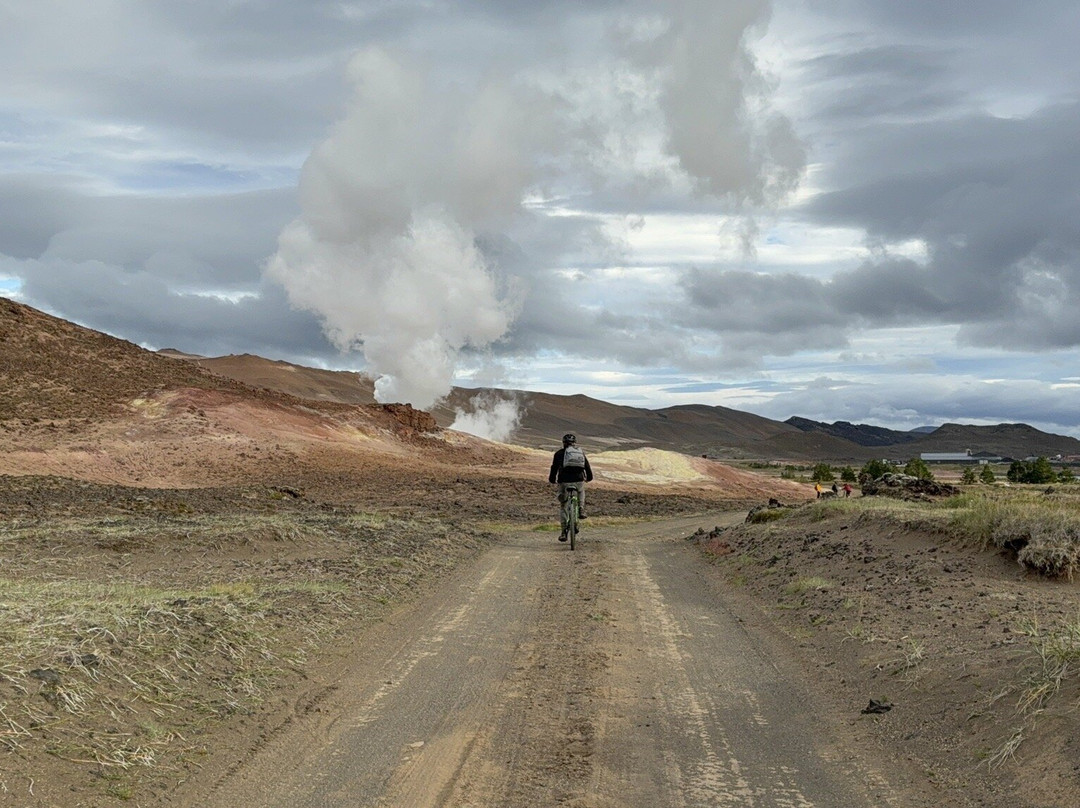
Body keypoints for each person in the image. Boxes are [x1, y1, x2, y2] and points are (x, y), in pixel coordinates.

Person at [548, 433, 593, 542]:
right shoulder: (580, 452)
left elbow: (554, 468)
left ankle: (564, 532)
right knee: (581, 491)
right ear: (574, 443)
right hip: (578, 480)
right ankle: (581, 509)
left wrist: (552, 479)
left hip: (564, 482)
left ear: (563, 443)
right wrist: (589, 478)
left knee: (563, 506)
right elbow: (587, 466)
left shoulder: (558, 454)